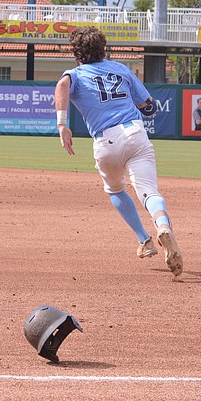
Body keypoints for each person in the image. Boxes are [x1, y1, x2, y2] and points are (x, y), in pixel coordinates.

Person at [54, 26, 183, 277]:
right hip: (135, 133)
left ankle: (144, 241)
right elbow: (148, 106)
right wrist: (144, 107)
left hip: (105, 142)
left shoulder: (77, 74)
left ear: (77, 54)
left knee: (115, 189)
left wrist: (62, 124)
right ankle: (163, 225)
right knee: (149, 192)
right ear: (103, 49)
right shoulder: (121, 69)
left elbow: (62, 84)